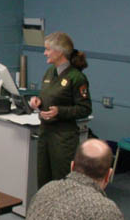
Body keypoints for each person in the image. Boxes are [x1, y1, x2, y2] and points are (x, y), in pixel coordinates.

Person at [29, 32, 92, 188]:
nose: (45, 53)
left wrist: (60, 111)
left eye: (48, 49)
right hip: (45, 133)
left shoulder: (76, 77)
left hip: (63, 138)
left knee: (60, 182)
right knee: (43, 180)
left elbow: (85, 109)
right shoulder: (50, 72)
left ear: (60, 51)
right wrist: (37, 102)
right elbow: (48, 96)